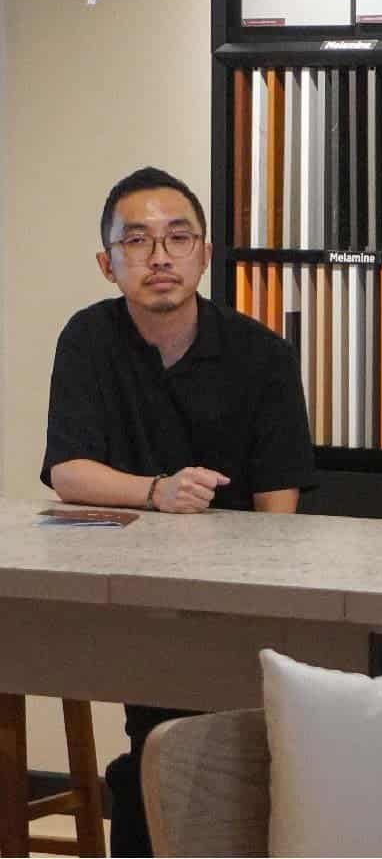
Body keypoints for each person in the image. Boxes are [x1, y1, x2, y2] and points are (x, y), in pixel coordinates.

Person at [42, 166, 315, 856]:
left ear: (205, 254)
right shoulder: (88, 339)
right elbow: (69, 471)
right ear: (108, 264)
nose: (159, 257)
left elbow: (280, 512)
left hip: (242, 604)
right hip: (130, 595)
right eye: (136, 242)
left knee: (186, 739)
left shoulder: (263, 356)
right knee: (156, 729)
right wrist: (156, 491)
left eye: (177, 237)